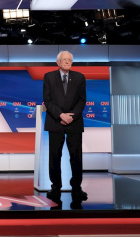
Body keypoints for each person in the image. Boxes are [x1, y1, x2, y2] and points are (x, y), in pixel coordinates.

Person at [43, 50, 87, 200]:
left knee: (76, 157)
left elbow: (82, 101)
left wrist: (71, 117)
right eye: (65, 60)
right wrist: (60, 115)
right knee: (55, 157)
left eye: (70, 60)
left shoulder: (80, 77)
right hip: (55, 122)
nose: (68, 62)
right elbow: (47, 101)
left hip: (74, 123)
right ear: (58, 62)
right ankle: (55, 187)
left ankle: (77, 188)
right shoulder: (49, 77)